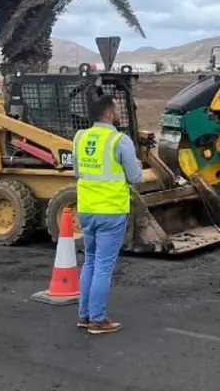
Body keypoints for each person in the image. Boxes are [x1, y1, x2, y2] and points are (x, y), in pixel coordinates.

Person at [73, 94, 144, 335]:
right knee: (103, 265)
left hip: (86, 209)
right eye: (117, 110)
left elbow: (77, 170)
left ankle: (84, 315)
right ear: (109, 114)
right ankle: (97, 319)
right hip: (111, 211)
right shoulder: (119, 141)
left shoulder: (80, 138)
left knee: (90, 261)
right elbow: (135, 177)